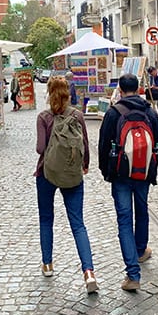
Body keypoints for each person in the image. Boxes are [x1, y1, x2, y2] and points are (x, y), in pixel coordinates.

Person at [98, 73, 158, 292]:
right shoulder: (150, 112)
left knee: (124, 219)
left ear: (120, 88)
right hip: (143, 173)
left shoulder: (113, 113)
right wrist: (149, 165)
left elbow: (103, 145)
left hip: (120, 175)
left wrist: (106, 171)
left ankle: (132, 273)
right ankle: (141, 249)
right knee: (142, 211)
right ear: (138, 88)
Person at [34, 77, 98, 293]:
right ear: (68, 93)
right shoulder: (77, 115)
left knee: (46, 218)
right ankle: (88, 272)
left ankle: (48, 264)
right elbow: (85, 145)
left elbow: (40, 148)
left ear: (49, 93)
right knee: (78, 223)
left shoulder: (44, 117)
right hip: (72, 173)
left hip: (47, 172)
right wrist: (85, 166)